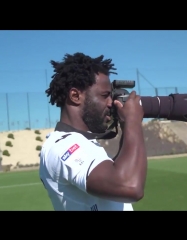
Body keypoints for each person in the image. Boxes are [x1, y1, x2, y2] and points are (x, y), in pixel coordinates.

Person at [39, 52, 147, 211]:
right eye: (105, 96)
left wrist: (126, 126)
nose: (111, 103)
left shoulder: (80, 142)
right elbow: (129, 186)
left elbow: (116, 171)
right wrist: (133, 122)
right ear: (75, 96)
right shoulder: (64, 146)